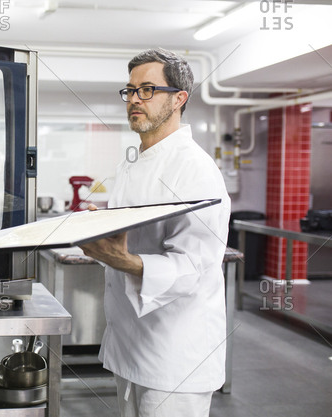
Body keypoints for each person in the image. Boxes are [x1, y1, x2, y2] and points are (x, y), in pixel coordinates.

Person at [79, 49, 231, 417]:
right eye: (129, 90)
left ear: (179, 98)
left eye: (147, 90)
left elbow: (193, 267)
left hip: (175, 355)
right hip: (132, 344)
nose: (133, 99)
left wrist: (123, 260)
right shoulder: (135, 162)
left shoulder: (195, 168)